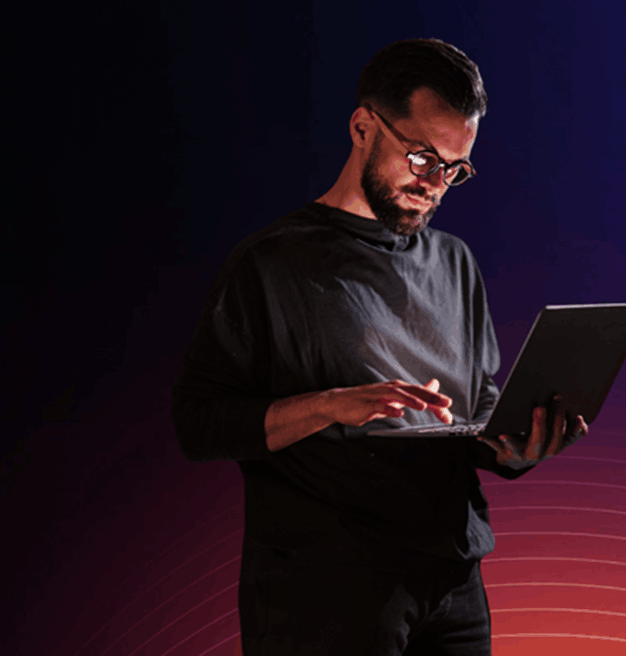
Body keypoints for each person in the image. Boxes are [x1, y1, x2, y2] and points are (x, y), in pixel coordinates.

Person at [172, 37, 587, 656]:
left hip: (454, 581)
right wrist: (329, 405)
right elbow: (198, 425)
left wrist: (520, 445)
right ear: (364, 126)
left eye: (455, 167)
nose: (436, 185)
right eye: (422, 158)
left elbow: (478, 415)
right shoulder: (273, 264)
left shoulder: (454, 263)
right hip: (323, 587)